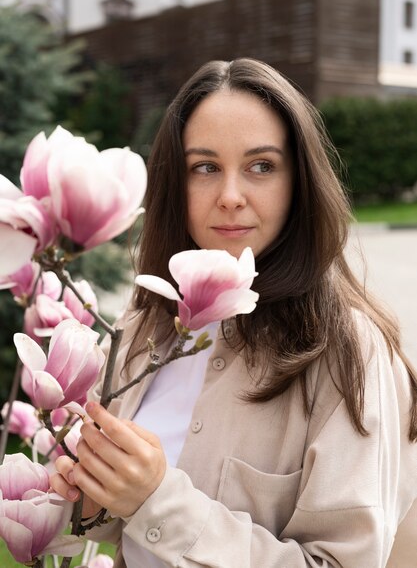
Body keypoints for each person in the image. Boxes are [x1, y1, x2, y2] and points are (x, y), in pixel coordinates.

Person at [51, 58, 417, 568]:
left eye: (261, 166)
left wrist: (157, 501)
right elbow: (124, 526)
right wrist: (97, 491)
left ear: (300, 182)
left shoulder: (348, 352)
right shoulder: (146, 329)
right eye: (205, 167)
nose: (229, 197)